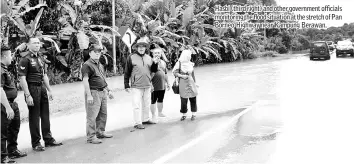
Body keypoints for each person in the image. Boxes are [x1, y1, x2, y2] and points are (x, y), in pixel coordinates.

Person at [18, 37, 63, 151]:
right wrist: (28, 95)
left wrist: (49, 90)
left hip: (41, 87)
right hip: (32, 88)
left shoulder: (40, 57)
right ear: (28, 45)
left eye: (38, 43)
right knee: (34, 117)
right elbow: (22, 78)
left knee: (45, 115)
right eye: (34, 43)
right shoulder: (25, 59)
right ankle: (36, 143)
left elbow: (44, 75)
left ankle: (48, 139)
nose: (37, 45)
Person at [81, 44, 114, 144]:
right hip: (93, 92)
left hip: (102, 91)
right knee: (92, 116)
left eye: (99, 52)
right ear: (90, 53)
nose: (97, 54)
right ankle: (91, 137)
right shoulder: (87, 65)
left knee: (103, 114)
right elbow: (85, 81)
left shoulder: (99, 64)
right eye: (95, 52)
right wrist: (89, 95)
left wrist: (108, 90)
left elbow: (102, 78)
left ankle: (100, 132)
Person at [124, 37, 158, 129]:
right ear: (137, 48)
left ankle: (146, 119)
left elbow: (153, 70)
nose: (141, 48)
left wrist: (155, 63)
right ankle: (137, 122)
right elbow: (127, 71)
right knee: (136, 105)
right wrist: (126, 84)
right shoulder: (131, 57)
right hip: (136, 86)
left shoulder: (149, 58)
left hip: (147, 85)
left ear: (145, 48)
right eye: (139, 46)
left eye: (143, 46)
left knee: (147, 104)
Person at [1, 46, 27, 163]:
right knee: (3, 131)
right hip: (4, 105)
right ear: (4, 56)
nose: (11, 57)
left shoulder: (5, 69)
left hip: (12, 103)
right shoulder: (0, 70)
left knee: (14, 128)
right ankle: (3, 156)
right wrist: (7, 107)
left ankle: (12, 150)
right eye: (10, 54)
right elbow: (0, 90)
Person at [172, 49, 199, 121]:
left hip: (191, 83)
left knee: (193, 99)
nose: (189, 57)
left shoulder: (190, 64)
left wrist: (195, 83)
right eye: (188, 55)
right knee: (183, 100)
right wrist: (182, 76)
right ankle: (184, 114)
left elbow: (193, 74)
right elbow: (174, 73)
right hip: (183, 83)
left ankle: (193, 114)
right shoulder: (179, 63)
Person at [150, 46, 170, 120]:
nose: (157, 54)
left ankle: (160, 112)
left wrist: (168, 83)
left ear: (161, 54)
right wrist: (150, 85)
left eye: (158, 53)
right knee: (153, 100)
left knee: (161, 99)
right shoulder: (150, 62)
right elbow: (149, 74)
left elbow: (165, 73)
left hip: (162, 84)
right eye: (155, 53)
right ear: (153, 54)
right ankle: (153, 114)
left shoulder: (163, 62)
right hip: (154, 85)